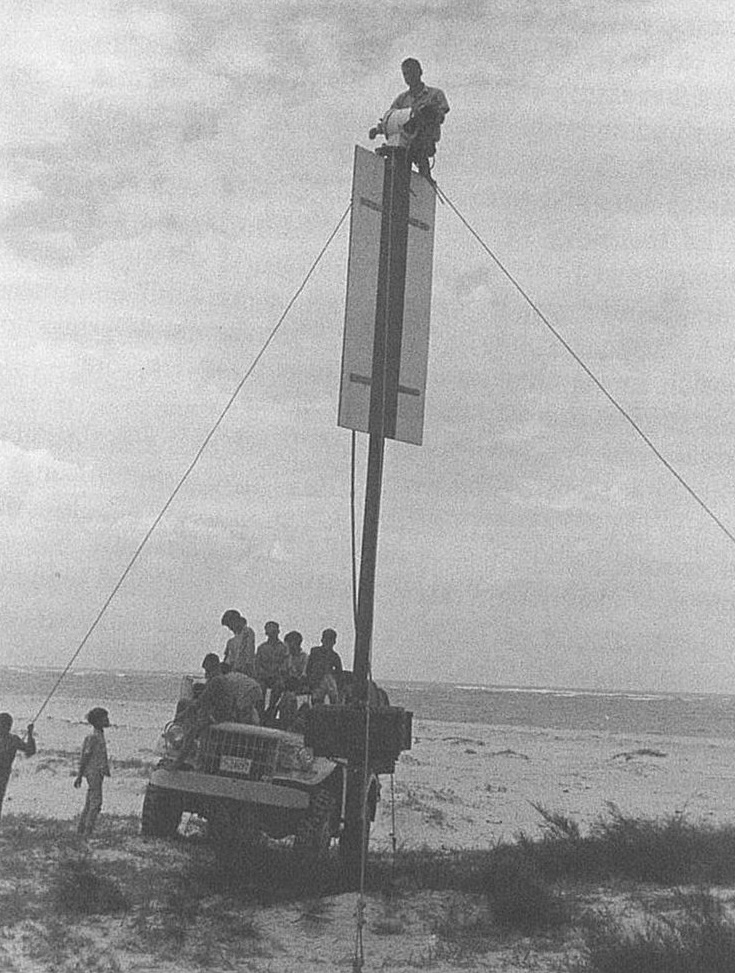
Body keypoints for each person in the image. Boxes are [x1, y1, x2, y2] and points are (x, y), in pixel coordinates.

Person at [369, 58, 450, 180]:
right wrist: (377, 130)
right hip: (403, 143)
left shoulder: (434, 94)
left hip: (423, 142)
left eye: (411, 72)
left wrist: (426, 115)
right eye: (405, 74)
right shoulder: (401, 99)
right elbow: (391, 120)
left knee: (419, 151)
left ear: (420, 72)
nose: (408, 77)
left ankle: (425, 179)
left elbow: (441, 114)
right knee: (393, 158)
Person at [74, 707, 110, 836]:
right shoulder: (93, 737)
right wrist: (79, 775)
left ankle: (82, 828)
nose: (107, 720)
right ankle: (88, 830)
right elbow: (85, 757)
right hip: (93, 772)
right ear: (98, 721)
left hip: (97, 772)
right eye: (104, 718)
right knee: (96, 802)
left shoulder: (99, 735)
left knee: (90, 801)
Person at [0, 714, 36, 820]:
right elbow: (30, 750)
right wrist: (29, 734)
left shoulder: (13, 739)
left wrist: (29, 734)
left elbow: (30, 750)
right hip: (4, 774)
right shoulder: (13, 739)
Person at [278, 631, 310, 726]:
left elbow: (304, 675)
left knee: (289, 698)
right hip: (288, 684)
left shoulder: (304, 657)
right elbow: (283, 671)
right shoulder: (287, 657)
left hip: (299, 685)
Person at [306, 629, 343, 705]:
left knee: (328, 678)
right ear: (322, 640)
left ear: (334, 642)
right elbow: (309, 668)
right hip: (316, 680)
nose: (328, 642)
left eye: (330, 639)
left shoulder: (335, 656)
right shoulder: (315, 651)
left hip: (328, 682)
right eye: (326, 639)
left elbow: (339, 673)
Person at [221, 609, 256, 677]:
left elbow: (249, 653)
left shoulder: (247, 632)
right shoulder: (231, 642)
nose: (230, 628)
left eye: (230, 624)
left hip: (243, 672)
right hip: (233, 672)